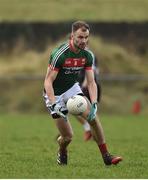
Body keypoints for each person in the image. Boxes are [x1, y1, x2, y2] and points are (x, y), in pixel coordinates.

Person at [43, 21, 122, 166]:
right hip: (55, 94)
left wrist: (94, 103)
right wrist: (54, 104)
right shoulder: (60, 54)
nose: (83, 41)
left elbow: (91, 82)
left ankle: (106, 156)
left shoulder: (87, 55)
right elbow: (48, 81)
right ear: (72, 36)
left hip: (72, 88)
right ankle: (62, 150)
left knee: (93, 119)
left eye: (86, 37)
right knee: (67, 137)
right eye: (80, 37)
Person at [76, 57, 101, 141]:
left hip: (89, 87)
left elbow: (92, 72)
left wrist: (84, 85)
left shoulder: (89, 55)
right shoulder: (76, 54)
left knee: (92, 112)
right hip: (81, 86)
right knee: (75, 109)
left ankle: (93, 133)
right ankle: (89, 129)